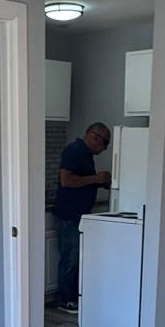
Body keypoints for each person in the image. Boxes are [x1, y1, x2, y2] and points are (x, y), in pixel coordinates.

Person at [53, 121, 111, 312]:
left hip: (79, 214)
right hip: (69, 215)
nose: (104, 149)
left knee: (75, 258)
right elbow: (66, 180)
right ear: (94, 136)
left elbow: (80, 181)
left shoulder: (85, 154)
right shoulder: (74, 150)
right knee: (70, 258)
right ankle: (65, 301)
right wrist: (96, 179)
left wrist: (100, 183)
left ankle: (73, 298)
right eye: (105, 143)